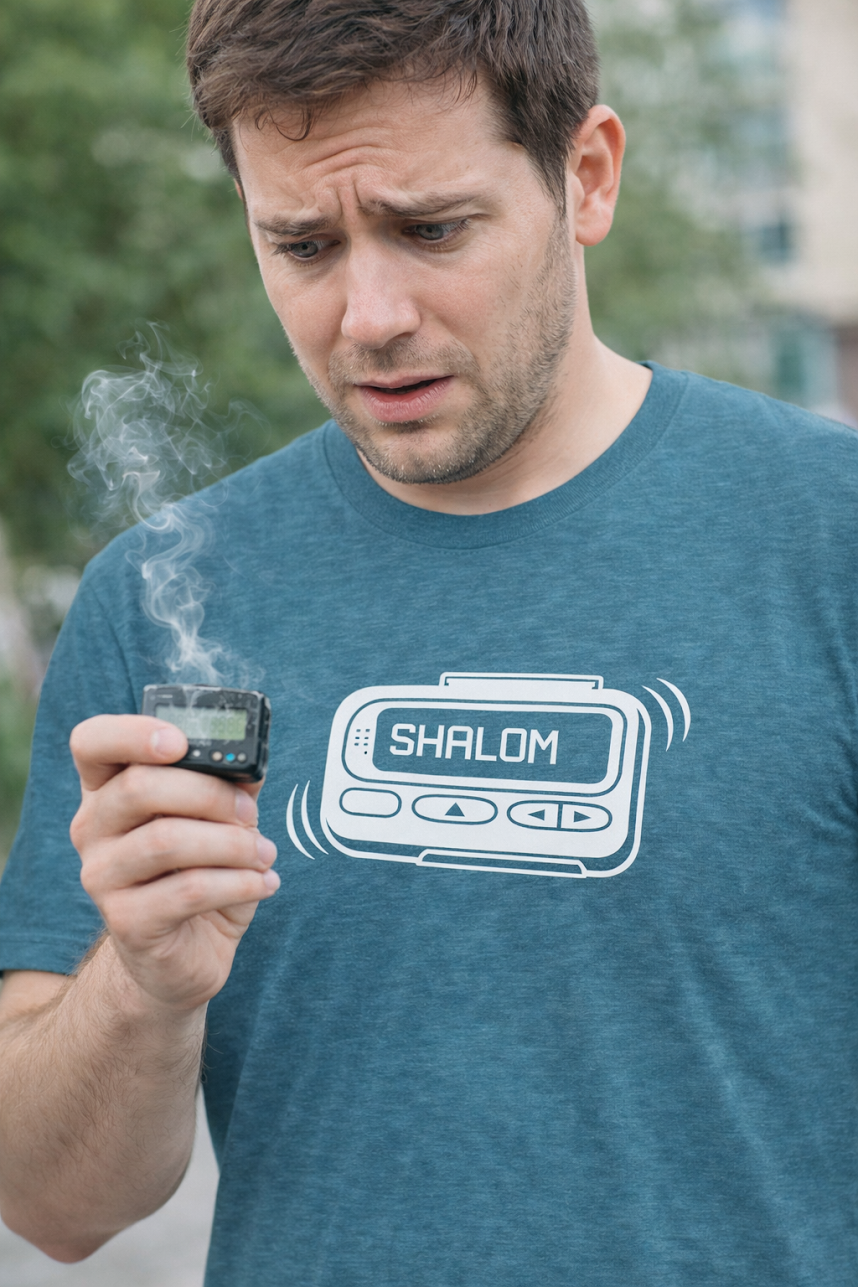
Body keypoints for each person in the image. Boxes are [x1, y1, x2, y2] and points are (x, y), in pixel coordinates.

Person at [1, 1, 857, 1284]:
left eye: (430, 228)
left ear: (586, 177)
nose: (368, 315)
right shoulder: (159, 600)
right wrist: (141, 985)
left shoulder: (829, 543)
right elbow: (53, 1209)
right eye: (302, 244)